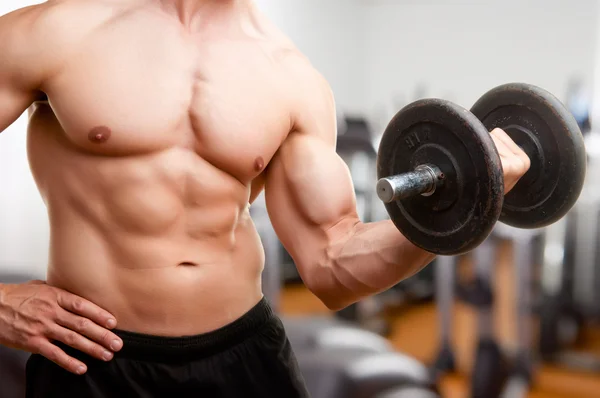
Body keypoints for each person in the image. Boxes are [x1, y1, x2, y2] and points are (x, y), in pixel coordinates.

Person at [0, 0, 530, 397]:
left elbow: (332, 265)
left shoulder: (290, 76)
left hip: (246, 357)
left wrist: (469, 200)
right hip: (93, 361)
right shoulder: (58, 31)